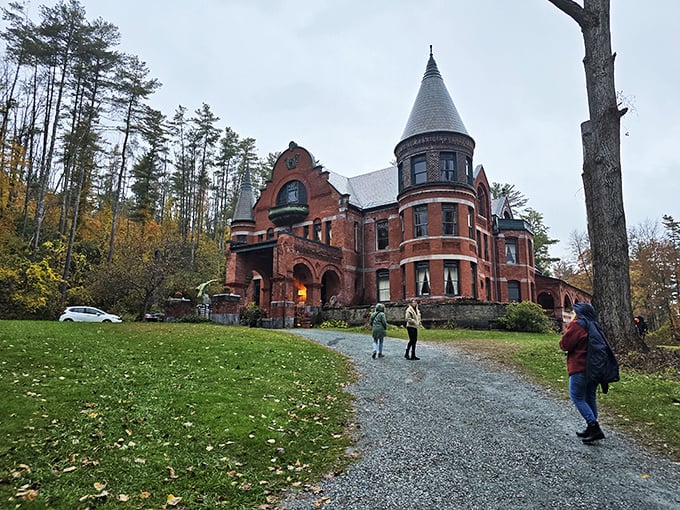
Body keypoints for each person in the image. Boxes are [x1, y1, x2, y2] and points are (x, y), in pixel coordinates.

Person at [559, 302, 607, 444]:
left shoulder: (578, 325)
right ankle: (590, 427)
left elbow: (565, 345)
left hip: (580, 366)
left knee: (577, 397)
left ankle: (594, 426)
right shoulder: (594, 325)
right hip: (595, 368)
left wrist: (567, 332)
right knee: (590, 397)